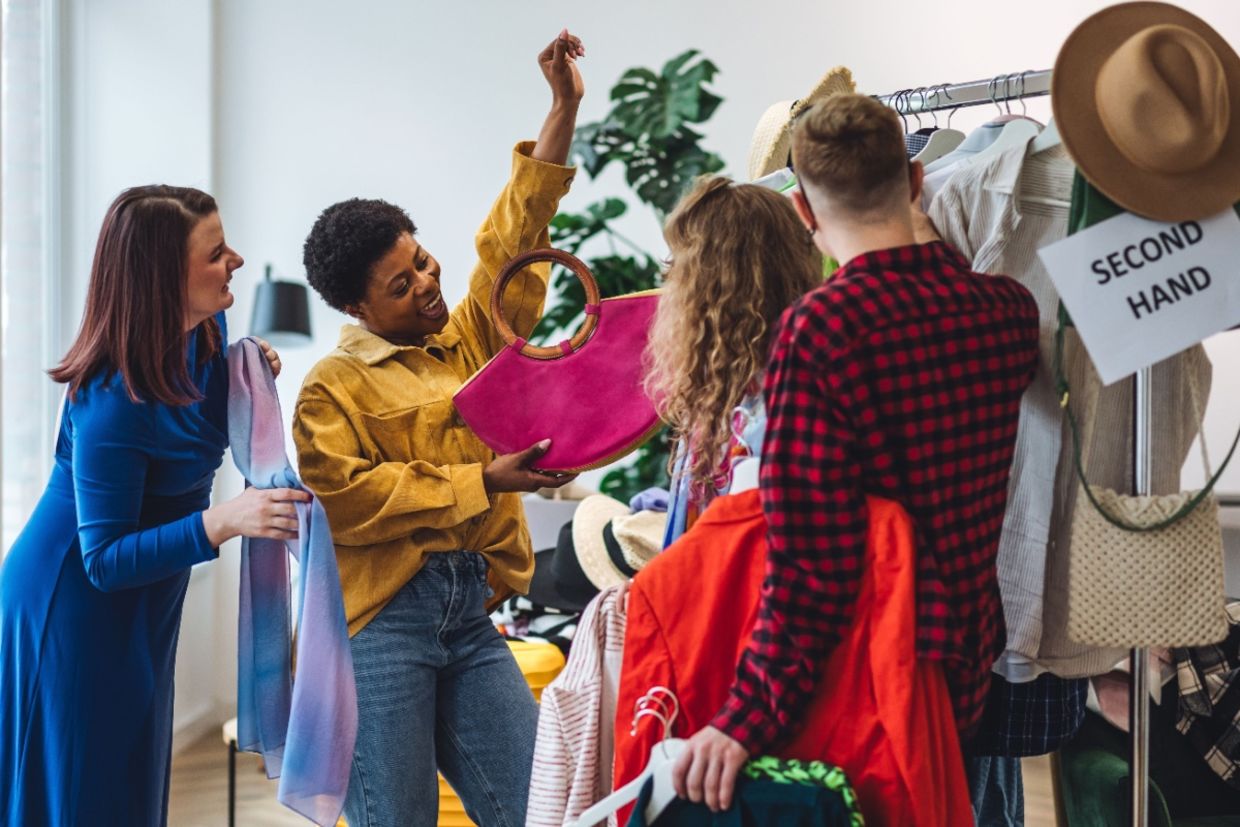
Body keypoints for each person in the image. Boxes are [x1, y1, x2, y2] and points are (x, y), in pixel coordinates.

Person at [671, 93, 1042, 811]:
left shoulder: (823, 330)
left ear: (804, 215)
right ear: (913, 182)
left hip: (869, 671)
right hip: (967, 663)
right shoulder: (1006, 312)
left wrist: (742, 721)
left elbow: (812, 562)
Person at [291, 30, 584, 827]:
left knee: (545, 809)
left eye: (422, 260)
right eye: (401, 282)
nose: (427, 283)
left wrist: (562, 109)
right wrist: (482, 479)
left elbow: (515, 238)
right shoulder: (331, 389)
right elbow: (349, 501)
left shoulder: (468, 342)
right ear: (356, 307)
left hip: (469, 610)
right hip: (380, 627)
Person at [0, 185, 305, 826]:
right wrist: (224, 521)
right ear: (165, 279)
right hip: (72, 605)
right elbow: (104, 559)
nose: (238, 260)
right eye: (217, 252)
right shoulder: (112, 400)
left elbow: (201, 411)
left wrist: (245, 371)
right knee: (85, 789)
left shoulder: (208, 333)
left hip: (146, 597)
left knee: (133, 779)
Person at [643, 175, 822, 546]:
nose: (669, 286)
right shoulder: (731, 384)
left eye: (678, 271)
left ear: (708, 290)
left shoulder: (768, 404)